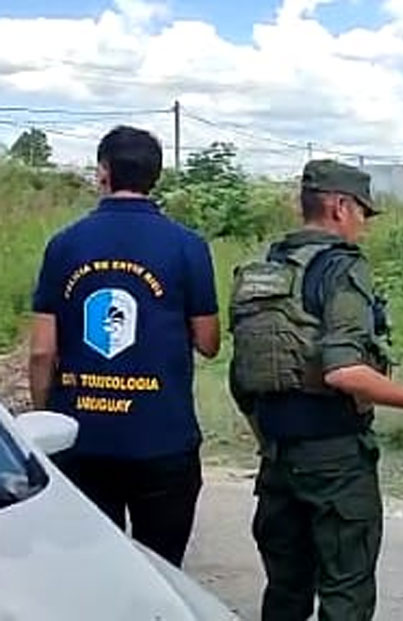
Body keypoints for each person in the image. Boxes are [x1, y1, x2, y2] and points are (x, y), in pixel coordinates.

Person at [230, 159, 403, 621]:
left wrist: (268, 437)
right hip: (334, 459)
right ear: (339, 207)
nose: (363, 226)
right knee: (345, 593)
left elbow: (243, 376)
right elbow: (344, 370)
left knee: (285, 591)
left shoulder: (267, 269)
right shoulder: (342, 268)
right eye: (362, 213)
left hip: (278, 458)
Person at [29, 125, 221, 567]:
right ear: (156, 175)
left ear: (103, 172)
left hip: (81, 438)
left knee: (95, 574)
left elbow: (41, 352)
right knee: (162, 574)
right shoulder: (188, 246)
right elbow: (209, 342)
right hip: (162, 439)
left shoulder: (64, 245)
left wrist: (46, 417)